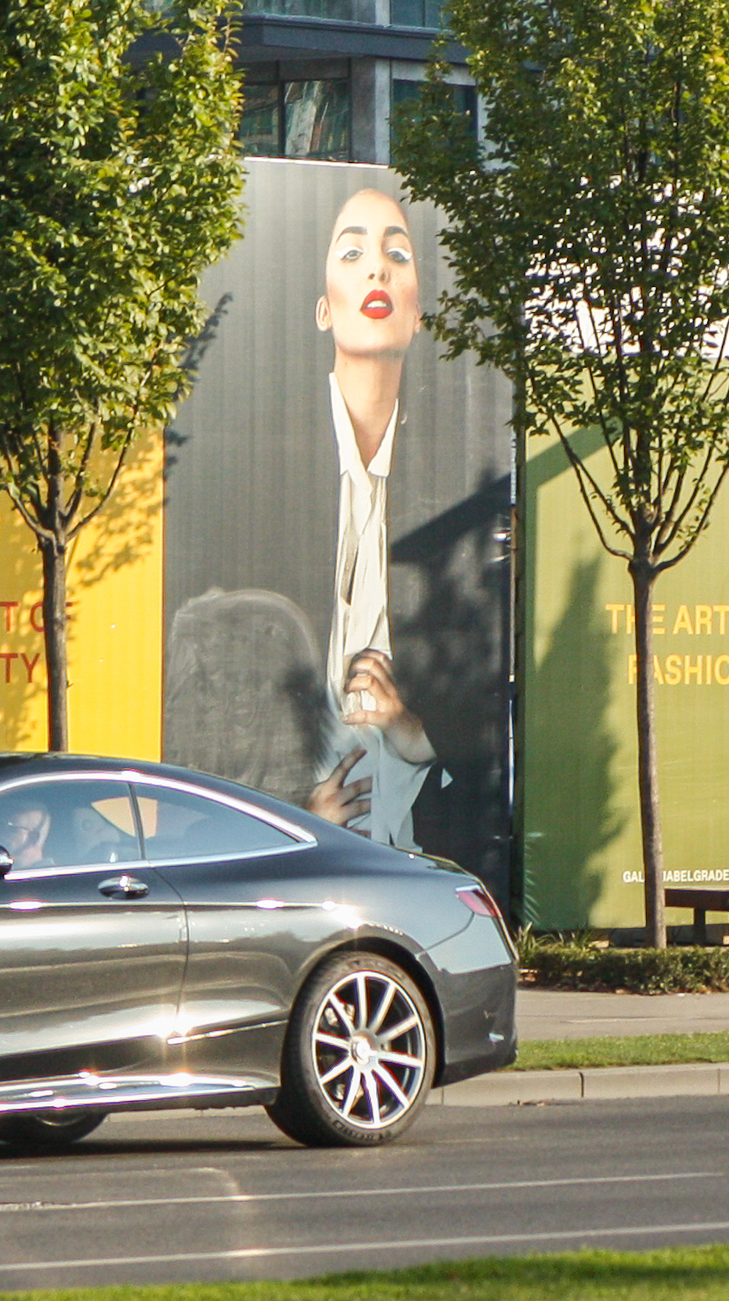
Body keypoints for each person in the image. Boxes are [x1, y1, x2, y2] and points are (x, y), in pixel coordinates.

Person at [305, 185, 437, 847]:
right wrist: (299, 822)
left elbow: (469, 764)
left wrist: (406, 726)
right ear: (325, 308)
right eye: (353, 251)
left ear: (417, 315)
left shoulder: (442, 495)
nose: (378, 269)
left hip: (403, 862)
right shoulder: (280, 486)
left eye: (397, 254)